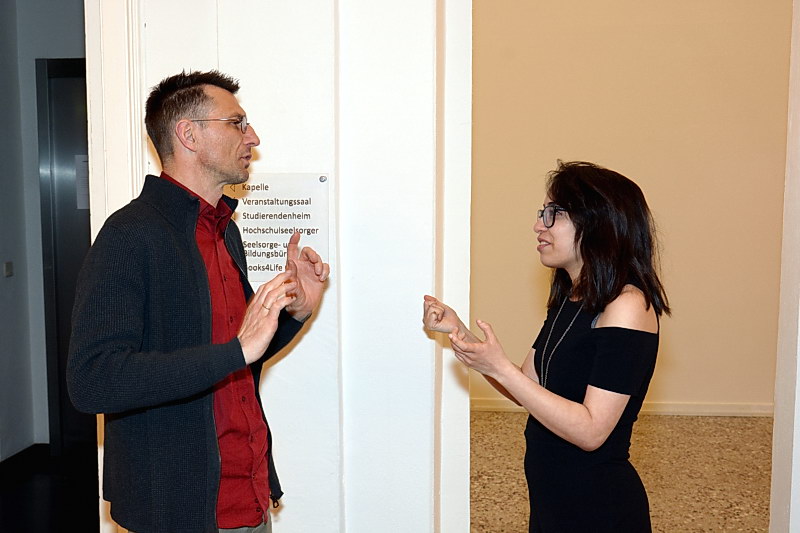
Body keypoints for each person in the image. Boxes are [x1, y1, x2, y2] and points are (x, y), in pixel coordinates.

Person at [67, 70, 330, 533]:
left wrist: (295, 312)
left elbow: (239, 357)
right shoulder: (129, 235)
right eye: (237, 123)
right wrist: (236, 351)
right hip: (178, 513)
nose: (253, 137)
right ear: (188, 134)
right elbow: (93, 381)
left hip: (250, 499)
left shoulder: (226, 231)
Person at [423, 161, 669, 532]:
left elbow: (591, 432)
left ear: (597, 222)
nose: (539, 225)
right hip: (554, 502)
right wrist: (461, 333)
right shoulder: (572, 296)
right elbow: (528, 386)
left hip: (599, 511)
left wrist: (498, 367)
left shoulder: (628, 305)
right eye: (542, 213)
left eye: (554, 213)